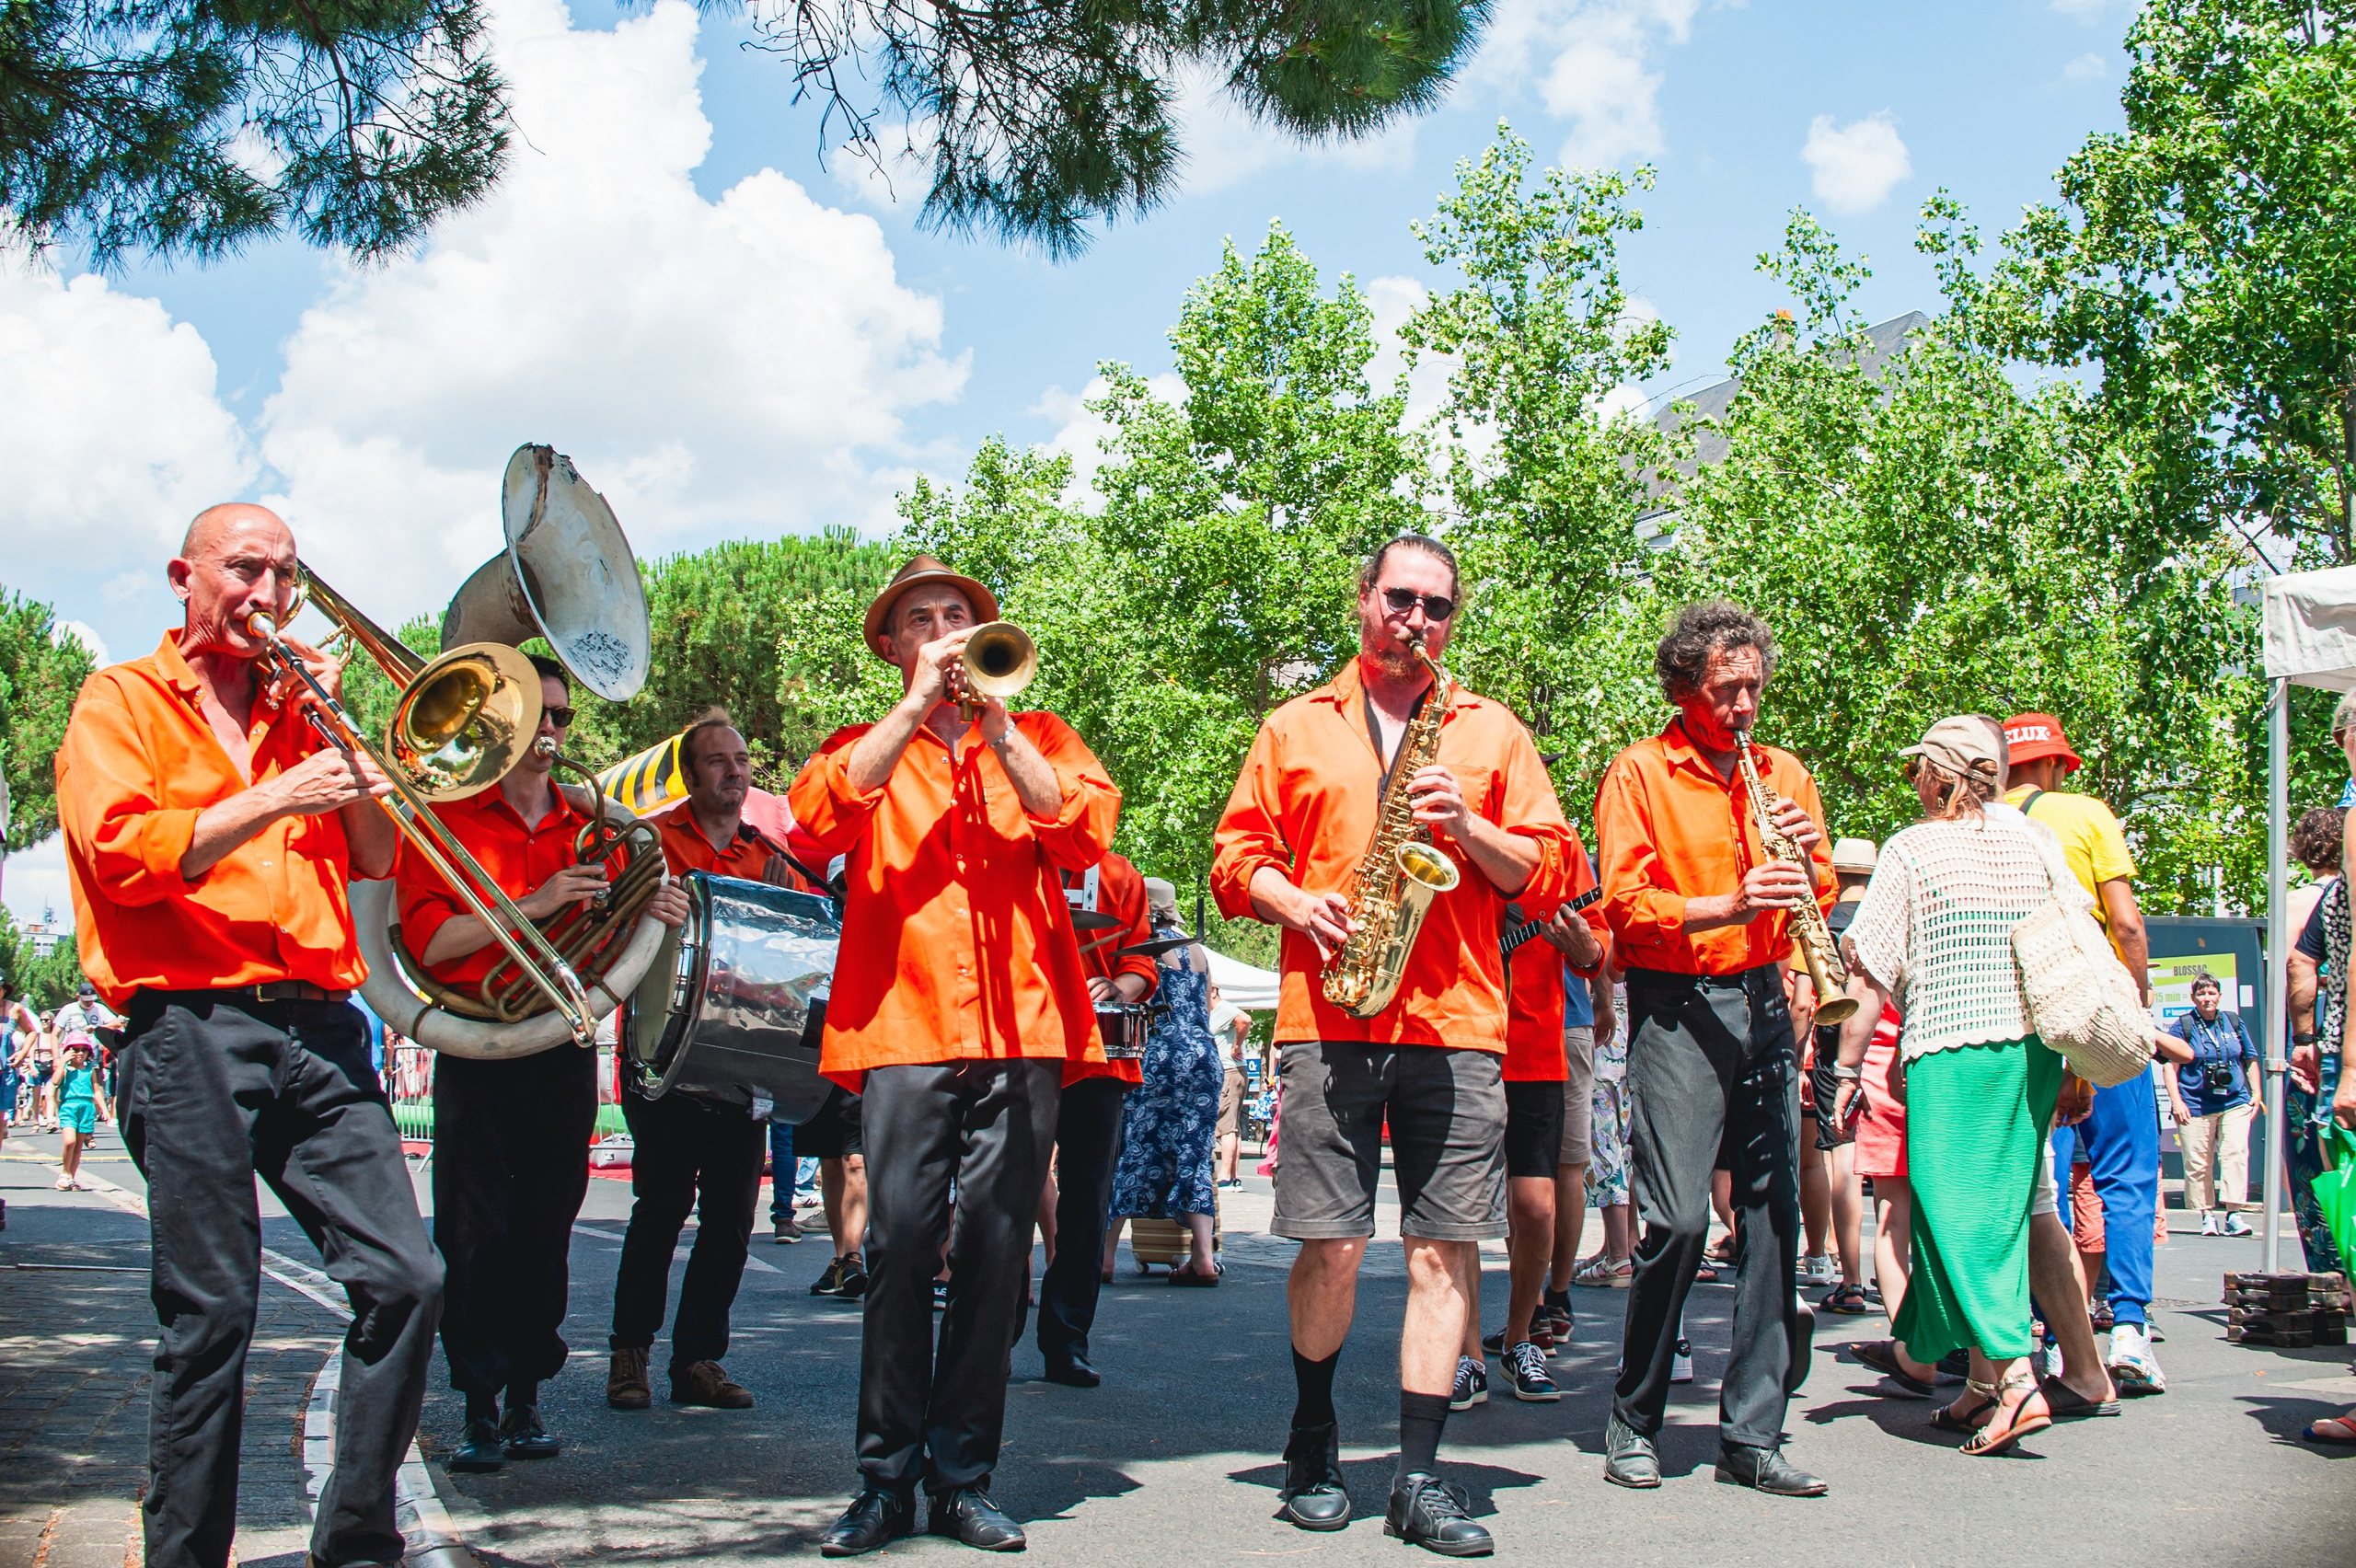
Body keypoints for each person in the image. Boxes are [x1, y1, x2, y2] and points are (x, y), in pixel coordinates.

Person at [56, 502, 441, 1568]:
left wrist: (343, 736)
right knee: (213, 1310)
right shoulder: (121, 698)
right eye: (244, 570)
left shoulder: (301, 712)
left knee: (407, 1279)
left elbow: (376, 859)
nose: (268, 595)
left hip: (320, 1024)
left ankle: (356, 1540)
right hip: (189, 1024)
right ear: (184, 576)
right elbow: (121, 854)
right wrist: (278, 795)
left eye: (285, 576)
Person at [1213, 533, 1574, 1554]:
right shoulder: (1294, 725)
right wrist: (1294, 899)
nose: (1417, 619)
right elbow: (1235, 861)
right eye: (1401, 598)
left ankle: (1418, 1477)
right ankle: (1313, 1441)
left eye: (1437, 606)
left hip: (1457, 1021)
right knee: (1331, 1245)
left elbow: (1550, 871)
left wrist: (1470, 828)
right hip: (1329, 1014)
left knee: (1442, 1248)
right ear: (1365, 598)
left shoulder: (1491, 729)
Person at [794, 555, 1120, 1556]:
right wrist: (914, 713)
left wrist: (999, 726)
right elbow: (815, 822)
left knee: (995, 1254)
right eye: (921, 621)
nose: (943, 633)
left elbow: (1084, 837)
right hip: (902, 1027)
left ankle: (963, 1477)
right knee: (898, 1246)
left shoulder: (1041, 735)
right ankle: (883, 1481)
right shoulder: (859, 746)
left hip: (1023, 1027)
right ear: (893, 646)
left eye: (958, 618)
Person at [398, 654, 689, 1470]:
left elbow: (629, 932)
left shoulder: (593, 824)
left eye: (562, 716)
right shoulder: (448, 820)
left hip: (561, 1045)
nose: (553, 731)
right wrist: (535, 903)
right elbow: (429, 941)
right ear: (503, 723)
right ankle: (478, 1405)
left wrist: (658, 910)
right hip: (478, 1044)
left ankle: (525, 1397)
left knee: (544, 1232)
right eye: (538, 716)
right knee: (472, 1233)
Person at [1589, 601, 1831, 1497]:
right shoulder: (1640, 772)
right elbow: (1624, 906)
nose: (1745, 706)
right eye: (1728, 690)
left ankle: (1753, 1435)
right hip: (1678, 1003)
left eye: (1754, 689)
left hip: (1765, 997)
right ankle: (1634, 1414)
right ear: (1683, 688)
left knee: (1772, 1219)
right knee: (1680, 1221)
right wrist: (1727, 904)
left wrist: (1810, 864)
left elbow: (1817, 890)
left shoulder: (1782, 773)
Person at [1831, 716, 2094, 1456]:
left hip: (1952, 1051)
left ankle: (2015, 1379)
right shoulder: (2035, 840)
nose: (1913, 781)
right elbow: (2078, 939)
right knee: (2003, 1213)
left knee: (1955, 1220)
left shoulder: (1912, 848)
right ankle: (1980, 1384)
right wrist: (2075, 1063)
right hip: (2033, 1053)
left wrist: (1845, 1069)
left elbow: (1869, 975)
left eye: (1919, 769)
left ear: (1940, 776)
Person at [608, 709, 807, 1415]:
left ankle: (697, 1359)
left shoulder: (771, 856)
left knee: (730, 1218)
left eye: (743, 760)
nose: (736, 772)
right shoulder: (651, 842)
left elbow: (798, 961)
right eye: (719, 761)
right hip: (661, 1056)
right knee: (661, 1207)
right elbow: (605, 927)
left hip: (740, 1062)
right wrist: (641, 908)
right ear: (689, 777)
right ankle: (629, 1354)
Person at [2001, 711, 2167, 1395]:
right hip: (2093, 1019)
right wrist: (2137, 1011)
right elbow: (2125, 924)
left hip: (2023, 1029)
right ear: (2055, 765)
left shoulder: (1980, 823)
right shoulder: (2085, 814)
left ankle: (2046, 1336)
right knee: (2127, 1175)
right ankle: (2128, 1331)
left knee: (2043, 1188)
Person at [1469, 880, 1606, 1406]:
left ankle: (1521, 1335)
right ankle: (1467, 1354)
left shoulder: (1559, 843)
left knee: (1536, 1206)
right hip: (1457, 1037)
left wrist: (1586, 950)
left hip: (1537, 1044)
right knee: (1456, 1209)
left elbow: (1601, 946)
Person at [1037, 849, 1155, 1378]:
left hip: (1098, 1060)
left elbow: (1140, 962)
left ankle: (1067, 1341)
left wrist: (1118, 987)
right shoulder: (1008, 851)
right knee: (1000, 1198)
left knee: (1087, 1203)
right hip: (1020, 1050)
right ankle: (990, 1338)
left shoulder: (1120, 873)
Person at [1107, 877, 1223, 1287]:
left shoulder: (1143, 947)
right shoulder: (1197, 951)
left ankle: (1104, 1256)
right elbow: (1205, 1006)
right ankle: (1203, 1258)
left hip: (1157, 1055)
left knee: (1131, 1148)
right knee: (1195, 1153)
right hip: (1203, 1055)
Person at [1804, 838, 1876, 1314]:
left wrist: (1799, 1060)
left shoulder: (1822, 924)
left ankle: (1850, 1279)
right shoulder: (1889, 918)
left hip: (1837, 1052)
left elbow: (1802, 1002)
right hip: (1892, 1048)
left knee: (1843, 1160)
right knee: (1896, 1174)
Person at [2288, 803, 2347, 1278]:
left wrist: (2302, 1036)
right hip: (2334, 1031)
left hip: (2320, 1035)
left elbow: (2295, 966)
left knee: (2314, 1154)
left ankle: (2331, 1267)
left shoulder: (2298, 901)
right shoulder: (2340, 894)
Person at [2165, 973, 2261, 1238]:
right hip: (2195, 1103)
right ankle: (2207, 1215)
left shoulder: (2233, 1022)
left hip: (2234, 1100)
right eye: (2201, 994)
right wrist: (2177, 1101)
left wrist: (2256, 1093)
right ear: (2193, 997)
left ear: (2219, 995)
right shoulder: (2184, 1026)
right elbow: (2170, 1067)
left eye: (2211, 993)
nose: (2207, 998)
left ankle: (2234, 1214)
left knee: (2235, 1154)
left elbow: (2250, 1059)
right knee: (2198, 1162)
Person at [52, 1036, 111, 1190]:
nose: (80, 1053)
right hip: (69, 1106)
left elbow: (96, 1090)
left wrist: (104, 1109)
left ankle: (71, 1178)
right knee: (69, 1141)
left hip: (86, 1107)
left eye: (83, 1050)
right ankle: (65, 1172)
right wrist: (62, 1061)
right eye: (75, 1050)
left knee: (78, 1146)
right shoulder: (65, 1069)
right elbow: (55, 1081)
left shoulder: (89, 1070)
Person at [1211, 985, 1253, 1188]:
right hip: (1232, 1072)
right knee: (1232, 1126)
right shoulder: (1215, 1012)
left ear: (1213, 991)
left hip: (1229, 1071)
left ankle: (1226, 1176)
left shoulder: (1224, 1009)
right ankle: (1233, 1177)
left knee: (1226, 1125)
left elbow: (1245, 1019)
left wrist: (1236, 1046)